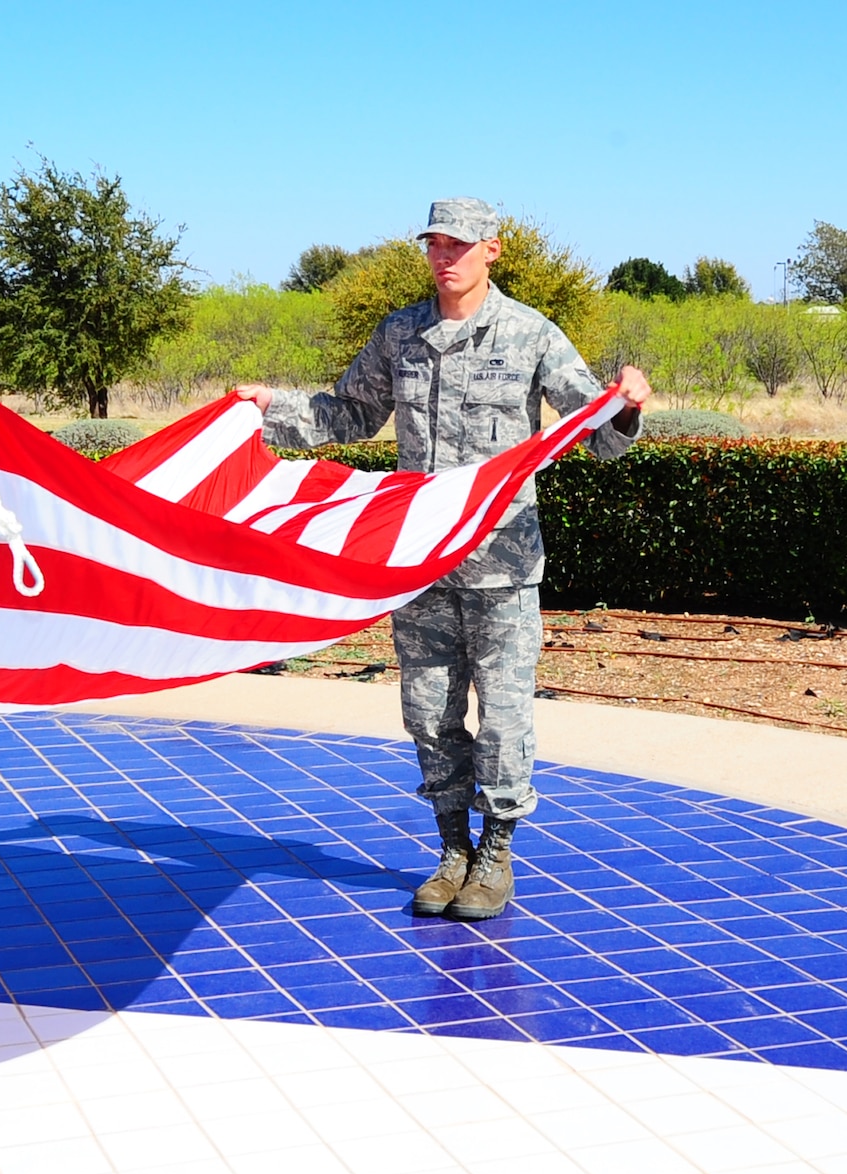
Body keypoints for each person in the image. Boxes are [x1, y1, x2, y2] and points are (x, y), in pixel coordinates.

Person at [239, 198, 652, 920]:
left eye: (459, 244)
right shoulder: (401, 332)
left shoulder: (529, 334)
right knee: (428, 716)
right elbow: (350, 414)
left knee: (502, 719)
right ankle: (452, 849)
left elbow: (597, 430)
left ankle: (496, 854)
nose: (444, 256)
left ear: (492, 249)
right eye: (435, 243)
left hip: (501, 564)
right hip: (421, 562)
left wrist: (628, 406)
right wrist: (267, 405)